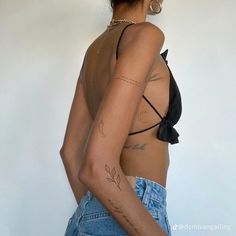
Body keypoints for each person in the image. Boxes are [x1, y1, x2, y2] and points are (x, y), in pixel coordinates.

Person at [60, 0, 182, 235]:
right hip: (137, 208)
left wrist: (97, 213)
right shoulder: (145, 35)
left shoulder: (95, 49)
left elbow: (70, 152)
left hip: (91, 215)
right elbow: (97, 166)